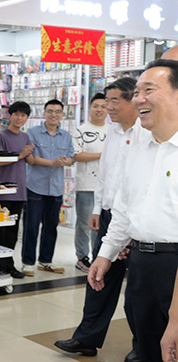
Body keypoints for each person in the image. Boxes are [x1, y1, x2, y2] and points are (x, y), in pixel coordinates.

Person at [88, 59, 178, 362]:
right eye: (136, 92)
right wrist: (106, 254)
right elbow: (124, 209)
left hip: (175, 266)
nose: (138, 98)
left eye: (148, 90)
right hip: (142, 264)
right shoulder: (139, 149)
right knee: (152, 357)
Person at [54, 78, 141, 362]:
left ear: (132, 100)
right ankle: (87, 338)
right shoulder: (113, 133)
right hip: (109, 214)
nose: (108, 108)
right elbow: (105, 175)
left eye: (114, 101)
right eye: (106, 102)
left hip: (135, 221)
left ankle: (143, 345)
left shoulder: (145, 133)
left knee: (138, 289)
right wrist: (98, 208)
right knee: (99, 276)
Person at [21, 99, 74, 276]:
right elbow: (31, 158)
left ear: (62, 115)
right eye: (50, 111)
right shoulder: (32, 133)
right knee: (31, 226)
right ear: (44, 113)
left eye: (58, 111)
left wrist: (66, 160)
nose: (54, 114)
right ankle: (28, 262)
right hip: (35, 186)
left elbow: (71, 157)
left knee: (51, 227)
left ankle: (46, 260)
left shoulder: (66, 136)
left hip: (56, 187)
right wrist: (52, 162)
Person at [0, 101, 35, 278]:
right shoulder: (1, 136)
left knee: (12, 232)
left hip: (19, 192)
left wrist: (28, 153)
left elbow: (31, 161)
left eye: (23, 115)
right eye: (16, 114)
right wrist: (20, 155)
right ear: (10, 115)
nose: (19, 118)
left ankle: (9, 264)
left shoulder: (25, 137)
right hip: (2, 191)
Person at [72, 93, 108, 272]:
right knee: (85, 223)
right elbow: (77, 155)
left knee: (102, 224)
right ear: (89, 109)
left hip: (108, 187)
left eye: (103, 106)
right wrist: (104, 155)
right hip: (86, 184)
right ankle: (82, 257)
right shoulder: (80, 130)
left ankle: (98, 256)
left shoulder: (113, 131)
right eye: (96, 106)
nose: (99, 109)